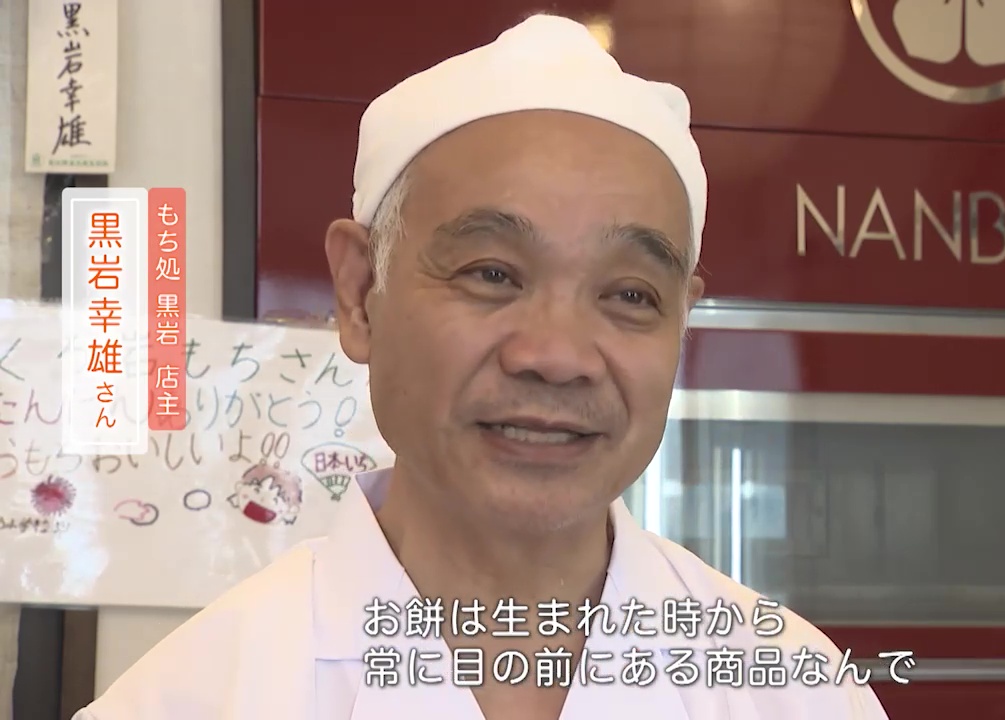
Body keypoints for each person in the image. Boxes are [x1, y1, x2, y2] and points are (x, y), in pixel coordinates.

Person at [75, 15, 889, 720]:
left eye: (630, 294)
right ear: (360, 295)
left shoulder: (799, 691)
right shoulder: (194, 697)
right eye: (492, 274)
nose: (557, 357)